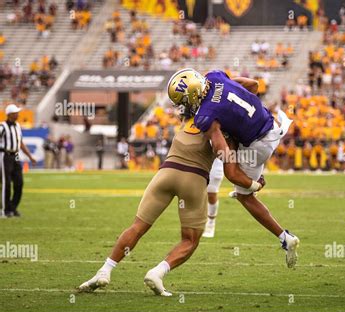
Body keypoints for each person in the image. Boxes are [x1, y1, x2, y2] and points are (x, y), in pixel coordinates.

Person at [78, 105, 264, 296]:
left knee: (137, 227)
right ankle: (157, 273)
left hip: (165, 173)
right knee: (190, 240)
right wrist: (254, 184)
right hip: (194, 178)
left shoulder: (187, 117)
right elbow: (230, 168)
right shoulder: (220, 127)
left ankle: (105, 270)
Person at [167, 68, 300, 268]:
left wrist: (249, 182)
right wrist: (235, 115)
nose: (185, 106)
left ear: (193, 94)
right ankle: (252, 181)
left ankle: (284, 236)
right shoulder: (215, 76)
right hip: (271, 125)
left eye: (184, 101)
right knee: (235, 147)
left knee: (242, 190)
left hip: (257, 145)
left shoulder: (205, 115)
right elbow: (254, 86)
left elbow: (225, 157)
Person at [0, 104, 36, 218]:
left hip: (15, 155)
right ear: (10, 114)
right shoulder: (2, 126)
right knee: (6, 183)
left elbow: (20, 143)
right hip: (4, 155)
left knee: (19, 183)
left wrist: (30, 156)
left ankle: (12, 207)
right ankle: (5, 210)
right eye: (16, 112)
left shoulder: (17, 126)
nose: (18, 114)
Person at [202, 158, 224, 238]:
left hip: (215, 162)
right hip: (197, 159)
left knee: (211, 193)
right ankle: (194, 224)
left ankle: (211, 224)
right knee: (194, 193)